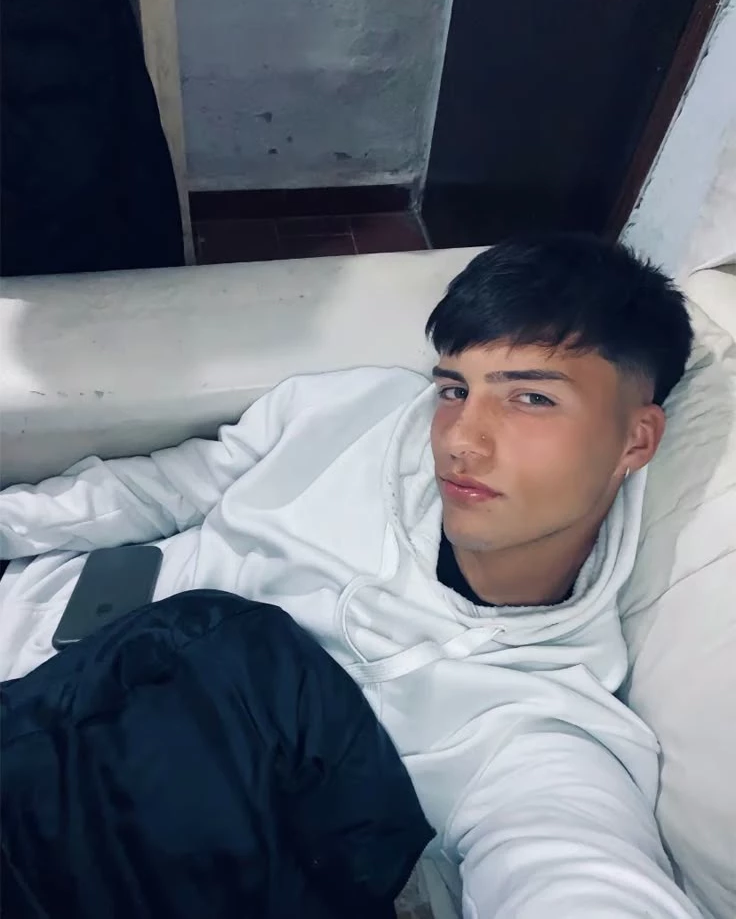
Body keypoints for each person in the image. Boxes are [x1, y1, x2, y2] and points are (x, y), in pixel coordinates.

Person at [0, 234, 699, 918]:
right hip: (33, 624)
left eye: (532, 399)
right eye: (455, 388)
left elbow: (574, 865)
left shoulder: (539, 726)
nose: (460, 437)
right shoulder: (359, 412)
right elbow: (167, 488)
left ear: (635, 439)